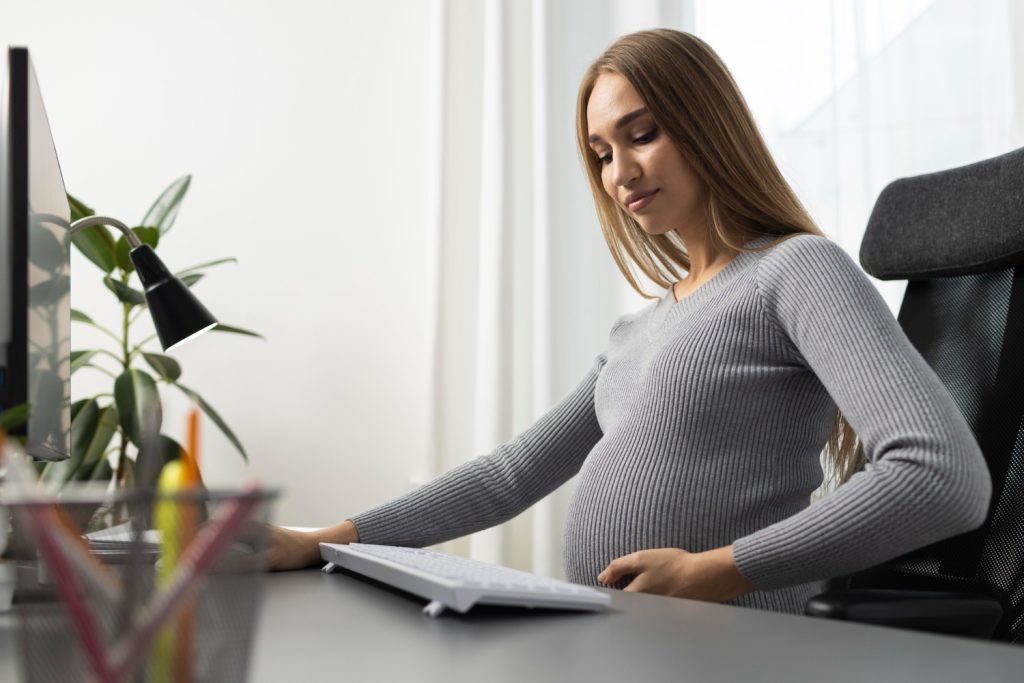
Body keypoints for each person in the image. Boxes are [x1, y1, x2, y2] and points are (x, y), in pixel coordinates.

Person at [266, 29, 991, 613]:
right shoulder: (641, 328)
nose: (619, 173)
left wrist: (716, 571)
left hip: (729, 644)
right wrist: (329, 538)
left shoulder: (797, 270)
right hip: (624, 637)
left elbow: (942, 474)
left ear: (707, 124)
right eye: (602, 154)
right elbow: (510, 474)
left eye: (640, 135)